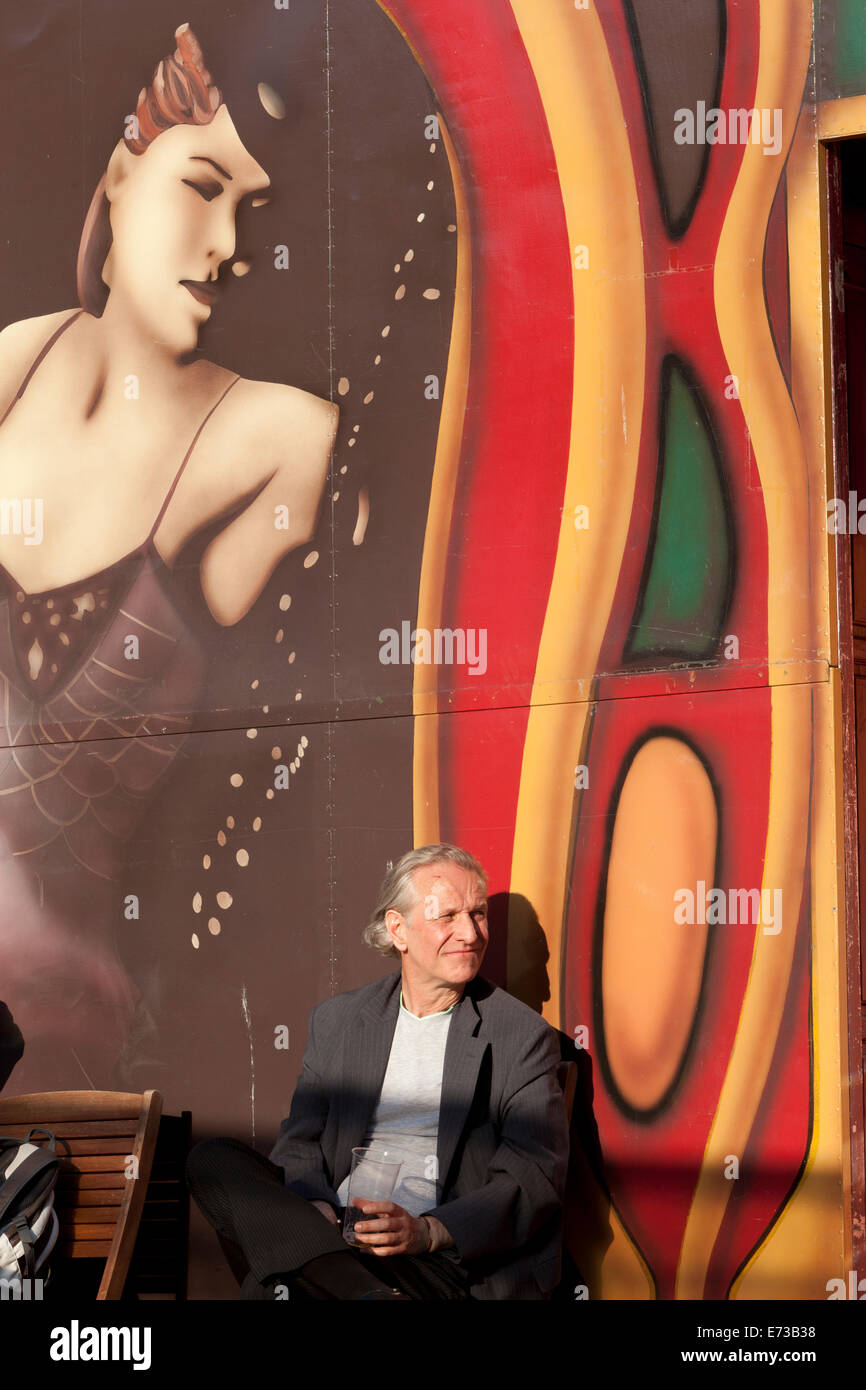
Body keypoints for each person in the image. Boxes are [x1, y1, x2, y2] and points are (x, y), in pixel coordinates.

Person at [0, 24, 337, 1089]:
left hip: (69, 1035)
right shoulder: (13, 363)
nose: (228, 244)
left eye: (255, 209)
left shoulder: (275, 436)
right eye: (203, 186)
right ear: (120, 170)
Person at [186, 843, 570, 1299]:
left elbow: (533, 1175)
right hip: (338, 1237)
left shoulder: (521, 1036)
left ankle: (323, 1277)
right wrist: (316, 1208)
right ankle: (350, 1286)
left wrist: (427, 1231)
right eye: (447, 916)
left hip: (437, 1262)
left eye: (479, 914)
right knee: (212, 1159)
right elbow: (300, 1142)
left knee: (280, 1284)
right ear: (398, 929)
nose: (470, 932)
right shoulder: (340, 1021)